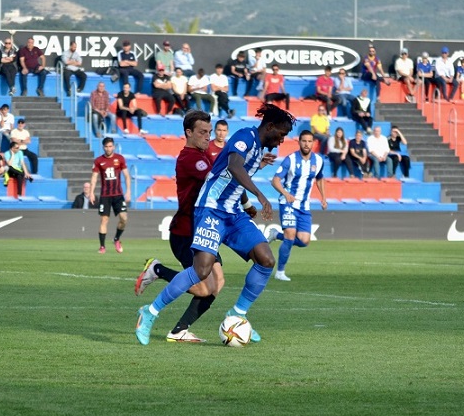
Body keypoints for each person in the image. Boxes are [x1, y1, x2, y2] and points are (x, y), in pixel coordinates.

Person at [134, 103, 294, 346]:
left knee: (266, 259)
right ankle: (150, 312)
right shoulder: (245, 136)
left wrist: (257, 170)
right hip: (210, 209)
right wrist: (260, 196)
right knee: (202, 271)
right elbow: (233, 166)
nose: (282, 140)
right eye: (281, 134)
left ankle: (237, 314)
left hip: (233, 213)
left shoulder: (258, 148)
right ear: (269, 126)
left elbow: (234, 172)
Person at [134, 110, 247, 342]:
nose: (208, 136)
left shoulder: (205, 156)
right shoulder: (190, 158)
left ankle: (179, 331)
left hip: (205, 232)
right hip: (185, 233)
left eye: (209, 131)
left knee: (219, 283)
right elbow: (219, 181)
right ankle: (157, 270)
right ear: (189, 132)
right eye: (202, 132)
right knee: (204, 288)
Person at [267, 130, 327, 281]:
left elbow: (319, 179)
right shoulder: (291, 160)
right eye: (304, 141)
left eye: (309, 141)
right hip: (287, 203)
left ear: (313, 143)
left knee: (304, 241)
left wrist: (323, 198)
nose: (307, 144)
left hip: (304, 206)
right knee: (290, 235)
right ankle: (280, 272)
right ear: (299, 142)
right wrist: (286, 194)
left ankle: (275, 235)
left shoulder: (318, 161)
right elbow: (275, 180)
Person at [90, 137, 131, 254]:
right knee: (104, 220)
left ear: (113, 146)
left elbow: (127, 176)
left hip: (118, 195)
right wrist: (92, 192)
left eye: (110, 146)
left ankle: (116, 239)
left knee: (124, 218)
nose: (108, 148)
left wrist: (128, 191)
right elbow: (94, 177)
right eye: (106, 146)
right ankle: (102, 246)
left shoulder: (120, 159)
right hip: (105, 195)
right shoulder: (98, 161)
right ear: (103, 147)